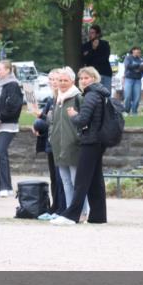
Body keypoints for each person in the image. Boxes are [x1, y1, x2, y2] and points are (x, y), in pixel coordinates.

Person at [52, 66, 109, 225]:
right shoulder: (99, 93)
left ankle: (72, 215)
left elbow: (82, 120)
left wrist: (73, 115)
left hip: (90, 141)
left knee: (80, 181)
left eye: (86, 78)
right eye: (82, 78)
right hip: (97, 141)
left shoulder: (90, 95)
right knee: (96, 181)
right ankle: (98, 216)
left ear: (94, 79)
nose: (83, 81)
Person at [48, 67, 89, 223]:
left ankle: (82, 212)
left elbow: (84, 120)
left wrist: (78, 137)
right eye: (60, 80)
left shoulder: (78, 97)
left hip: (74, 145)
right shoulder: (57, 98)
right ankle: (69, 212)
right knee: (65, 181)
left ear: (72, 81)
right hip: (59, 146)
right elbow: (53, 122)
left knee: (76, 181)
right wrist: (52, 137)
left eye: (65, 80)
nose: (62, 83)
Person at [29, 70, 64, 219]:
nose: (53, 82)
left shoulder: (63, 98)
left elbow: (55, 120)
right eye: (51, 79)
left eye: (56, 79)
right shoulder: (51, 99)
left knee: (61, 178)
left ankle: (61, 208)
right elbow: (44, 120)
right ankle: (55, 207)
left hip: (60, 143)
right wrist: (36, 125)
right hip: (50, 143)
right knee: (54, 178)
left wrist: (41, 116)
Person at [0, 60, 22, 197]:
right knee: (2, 155)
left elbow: (13, 106)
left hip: (8, 125)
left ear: (8, 70)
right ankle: (6, 186)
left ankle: (3, 187)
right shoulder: (1, 85)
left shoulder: (13, 85)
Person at [81, 25, 113, 90]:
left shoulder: (105, 44)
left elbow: (105, 58)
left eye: (92, 33)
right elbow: (85, 60)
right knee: (95, 94)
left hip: (105, 73)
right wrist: (93, 49)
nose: (90, 35)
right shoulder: (86, 46)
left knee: (106, 93)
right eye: (89, 33)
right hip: (92, 74)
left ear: (97, 34)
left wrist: (92, 56)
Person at [122, 46, 143, 116]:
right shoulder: (128, 58)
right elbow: (128, 66)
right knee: (127, 96)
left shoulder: (140, 59)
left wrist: (142, 69)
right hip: (129, 79)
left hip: (138, 80)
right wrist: (138, 65)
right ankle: (126, 111)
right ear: (133, 51)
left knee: (137, 97)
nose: (138, 52)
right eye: (137, 50)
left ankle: (134, 112)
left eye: (139, 51)